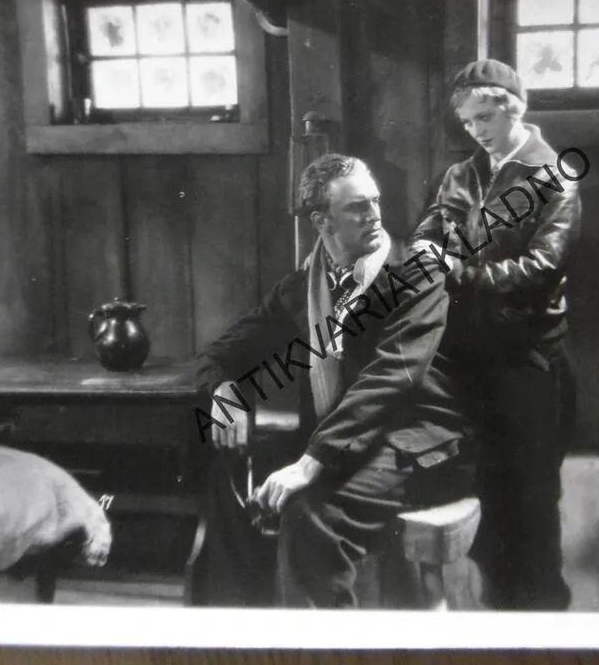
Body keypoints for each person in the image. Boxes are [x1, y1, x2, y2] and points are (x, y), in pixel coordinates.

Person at [196, 153, 477, 609]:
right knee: (229, 485)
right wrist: (223, 392)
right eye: (357, 207)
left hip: (415, 447)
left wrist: (310, 464)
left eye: (376, 202)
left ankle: (319, 644)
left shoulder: (417, 276)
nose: (375, 215)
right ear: (321, 221)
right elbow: (223, 352)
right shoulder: (303, 289)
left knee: (311, 514)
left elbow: (389, 380)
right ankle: (237, 635)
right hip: (343, 446)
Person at [411, 59, 583, 611]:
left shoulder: (553, 175)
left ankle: (543, 616)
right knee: (485, 492)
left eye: (484, 117)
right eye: (467, 122)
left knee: (532, 498)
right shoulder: (461, 175)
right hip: (467, 358)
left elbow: (542, 268)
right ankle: (497, 615)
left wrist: (460, 273)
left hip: (528, 358)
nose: (476, 130)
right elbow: (430, 228)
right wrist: (425, 247)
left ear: (514, 109)